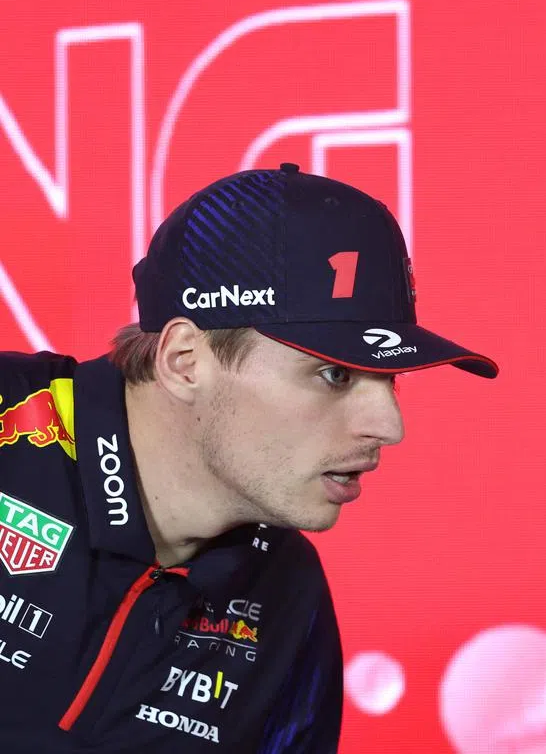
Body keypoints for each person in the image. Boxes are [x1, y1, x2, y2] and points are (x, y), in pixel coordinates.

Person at [0, 162, 498, 752]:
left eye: (391, 380)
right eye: (334, 374)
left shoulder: (287, 592)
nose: (390, 427)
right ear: (185, 359)